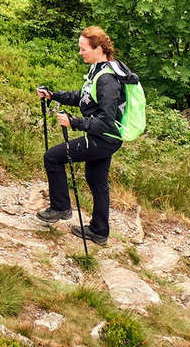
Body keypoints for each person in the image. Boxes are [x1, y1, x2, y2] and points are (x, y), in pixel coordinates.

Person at [35, 27, 128, 245]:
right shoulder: (99, 69)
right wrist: (54, 95)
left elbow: (105, 119)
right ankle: (99, 231)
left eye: (83, 49)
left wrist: (74, 122)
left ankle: (60, 208)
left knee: (52, 157)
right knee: (97, 181)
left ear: (98, 49)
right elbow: (83, 97)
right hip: (106, 137)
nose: (80, 53)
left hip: (103, 137)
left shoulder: (107, 79)